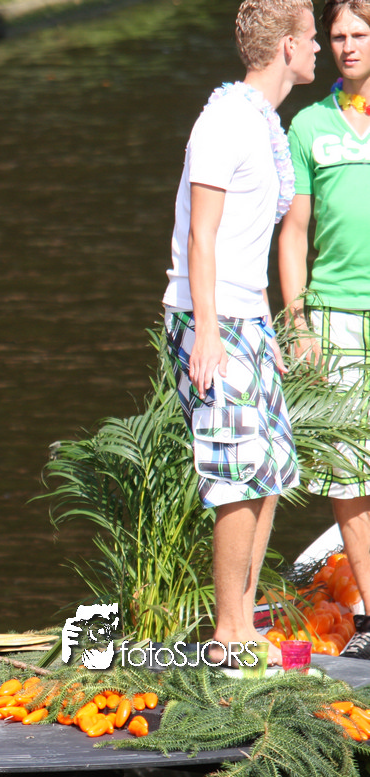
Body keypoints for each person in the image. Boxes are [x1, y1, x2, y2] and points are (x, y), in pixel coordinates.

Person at [162, 0, 317, 665]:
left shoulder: (262, 121)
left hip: (243, 315)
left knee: (271, 468)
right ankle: (228, 635)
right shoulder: (225, 120)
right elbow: (202, 234)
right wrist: (207, 333)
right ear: (287, 46)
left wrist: (264, 323)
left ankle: (243, 624)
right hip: (209, 318)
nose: (319, 48)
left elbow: (246, 242)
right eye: (312, 37)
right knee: (235, 474)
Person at [279, 0, 370, 658]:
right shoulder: (308, 124)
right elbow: (293, 232)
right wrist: (297, 320)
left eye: (359, 33)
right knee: (350, 474)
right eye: (336, 35)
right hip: (335, 317)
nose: (347, 45)